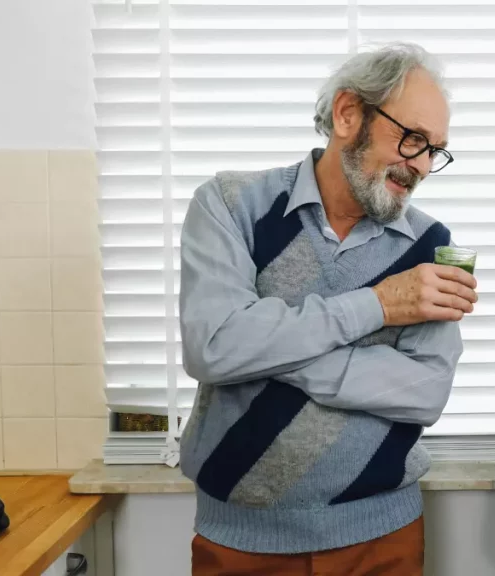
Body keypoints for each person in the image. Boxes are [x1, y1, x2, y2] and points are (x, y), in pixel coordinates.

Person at [178, 43, 477, 576]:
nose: (423, 167)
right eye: (412, 139)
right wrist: (378, 305)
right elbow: (213, 347)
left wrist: (268, 350)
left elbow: (426, 391)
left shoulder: (432, 243)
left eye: (435, 150)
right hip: (240, 541)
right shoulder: (229, 205)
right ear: (347, 114)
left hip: (383, 538)